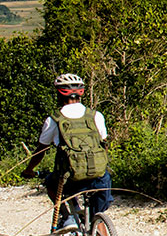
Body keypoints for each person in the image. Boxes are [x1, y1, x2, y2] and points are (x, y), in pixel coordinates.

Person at [21, 72, 113, 226]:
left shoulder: (54, 120)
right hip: (99, 178)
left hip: (70, 179)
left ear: (58, 94)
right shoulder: (96, 116)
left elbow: (40, 151)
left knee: (50, 182)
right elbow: (103, 144)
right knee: (98, 214)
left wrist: (29, 169)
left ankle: (68, 216)